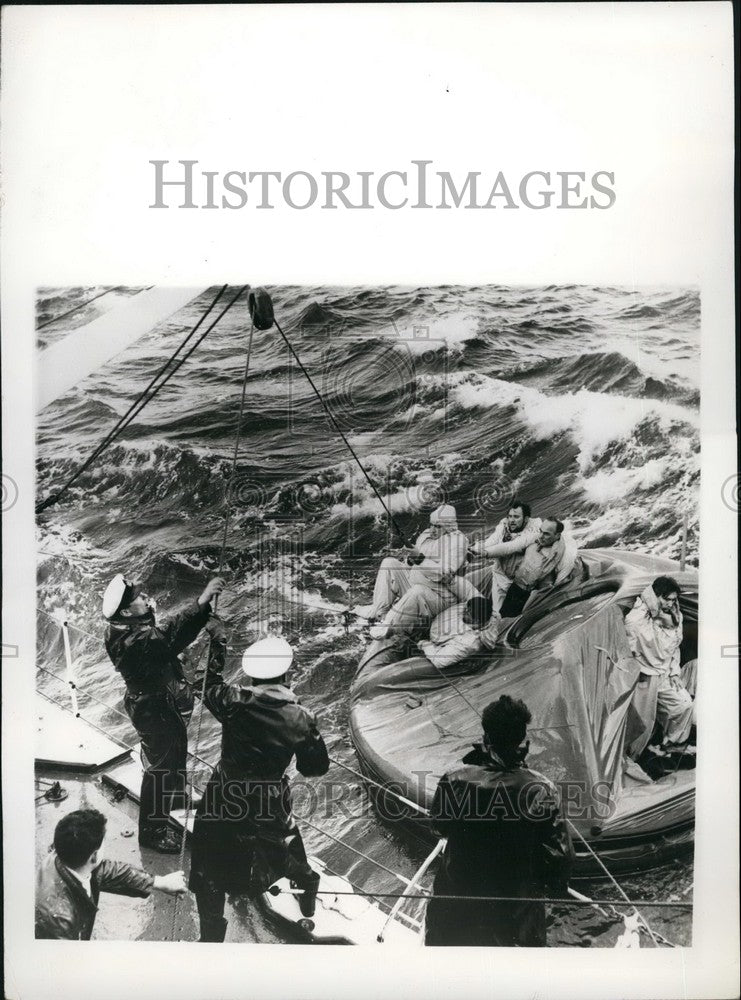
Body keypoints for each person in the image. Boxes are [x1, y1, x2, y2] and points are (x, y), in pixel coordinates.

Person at [189, 625, 330, 942]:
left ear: (252, 677)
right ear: (286, 676)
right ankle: (307, 889)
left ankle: (210, 938)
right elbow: (315, 766)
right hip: (270, 799)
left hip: (224, 793)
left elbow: (203, 681)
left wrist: (218, 640)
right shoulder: (299, 717)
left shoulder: (232, 701)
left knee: (209, 867)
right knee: (280, 850)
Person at [424, 695, 573, 947]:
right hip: (514, 917)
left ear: (485, 738)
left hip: (457, 910)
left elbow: (439, 826)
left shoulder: (455, 779)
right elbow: (560, 857)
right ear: (523, 742)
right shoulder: (542, 789)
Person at [103, 573, 225, 852]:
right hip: (153, 706)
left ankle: (174, 799)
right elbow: (169, 635)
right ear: (125, 611)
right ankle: (152, 832)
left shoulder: (122, 627)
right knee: (160, 768)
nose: (146, 599)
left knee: (170, 758)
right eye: (139, 599)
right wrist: (202, 602)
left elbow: (160, 635)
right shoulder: (137, 639)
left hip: (152, 700)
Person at [35, 808, 186, 940]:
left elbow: (111, 872)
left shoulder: (65, 855)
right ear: (94, 856)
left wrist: (159, 882)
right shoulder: (59, 920)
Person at [354, 504, 470, 621]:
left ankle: (392, 623)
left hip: (440, 597)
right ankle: (379, 611)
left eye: (438, 527)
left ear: (448, 527)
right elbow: (411, 566)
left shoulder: (458, 541)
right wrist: (410, 561)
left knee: (417, 591)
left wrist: (419, 559)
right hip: (415, 587)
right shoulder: (426, 536)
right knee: (389, 563)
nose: (432, 530)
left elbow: (445, 574)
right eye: (431, 525)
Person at [625, 576, 696, 759]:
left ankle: (672, 744)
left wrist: (673, 672)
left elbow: (674, 646)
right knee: (640, 722)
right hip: (643, 676)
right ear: (655, 596)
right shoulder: (637, 617)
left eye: (674, 599)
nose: (670, 604)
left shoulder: (675, 616)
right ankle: (632, 756)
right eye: (666, 599)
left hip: (664, 673)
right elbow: (630, 646)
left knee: (683, 705)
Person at [496, 517, 577, 617]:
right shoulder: (536, 540)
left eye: (546, 534)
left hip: (535, 596)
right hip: (516, 588)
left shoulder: (565, 556)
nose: (541, 536)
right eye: (541, 531)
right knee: (503, 616)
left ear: (557, 535)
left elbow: (558, 587)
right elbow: (511, 547)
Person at [467, 500, 541, 607]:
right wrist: (474, 549)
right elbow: (492, 540)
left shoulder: (534, 530)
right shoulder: (505, 523)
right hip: (500, 575)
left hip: (520, 581)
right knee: (497, 613)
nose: (512, 520)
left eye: (516, 517)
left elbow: (512, 546)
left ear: (526, 519)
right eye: (510, 516)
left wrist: (485, 553)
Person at [417, 596, 501, 669]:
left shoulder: (469, 642)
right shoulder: (471, 609)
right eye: (466, 608)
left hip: (433, 641)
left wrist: (424, 644)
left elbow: (439, 661)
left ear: (476, 621)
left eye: (468, 612)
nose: (464, 611)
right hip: (433, 627)